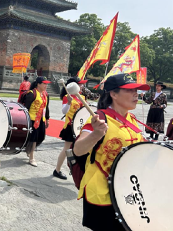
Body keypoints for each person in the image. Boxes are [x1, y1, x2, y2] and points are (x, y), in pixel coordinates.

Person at [74, 73, 149, 231]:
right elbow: (78, 149)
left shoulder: (132, 119)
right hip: (102, 193)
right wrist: (96, 134)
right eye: (129, 90)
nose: (136, 94)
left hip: (127, 191)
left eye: (137, 90)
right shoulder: (100, 119)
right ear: (113, 94)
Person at [54, 77, 88, 179]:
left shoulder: (82, 96)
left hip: (79, 126)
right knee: (66, 149)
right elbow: (64, 111)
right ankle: (57, 170)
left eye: (82, 84)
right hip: (70, 126)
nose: (82, 86)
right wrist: (68, 102)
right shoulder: (67, 97)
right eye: (80, 84)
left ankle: (80, 170)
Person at [24, 76, 51, 167]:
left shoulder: (45, 94)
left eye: (46, 84)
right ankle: (32, 157)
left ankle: (29, 149)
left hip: (41, 120)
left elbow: (46, 108)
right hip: (32, 119)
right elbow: (25, 108)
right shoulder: (31, 94)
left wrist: (47, 119)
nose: (45, 85)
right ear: (38, 84)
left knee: (41, 137)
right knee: (33, 139)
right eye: (44, 83)